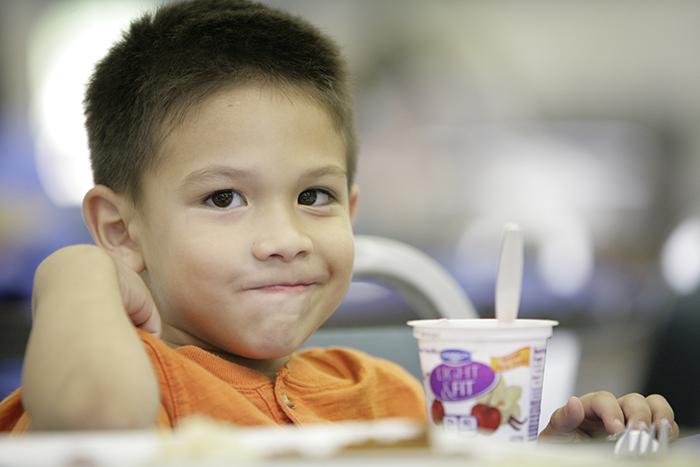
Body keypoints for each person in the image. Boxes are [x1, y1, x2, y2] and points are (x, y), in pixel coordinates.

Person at [0, 0, 679, 441]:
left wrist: (560, 448)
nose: (286, 240)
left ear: (352, 209)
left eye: (315, 197)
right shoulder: (128, 379)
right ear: (121, 231)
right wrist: (76, 271)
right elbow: (93, 422)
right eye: (224, 198)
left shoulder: (382, 394)